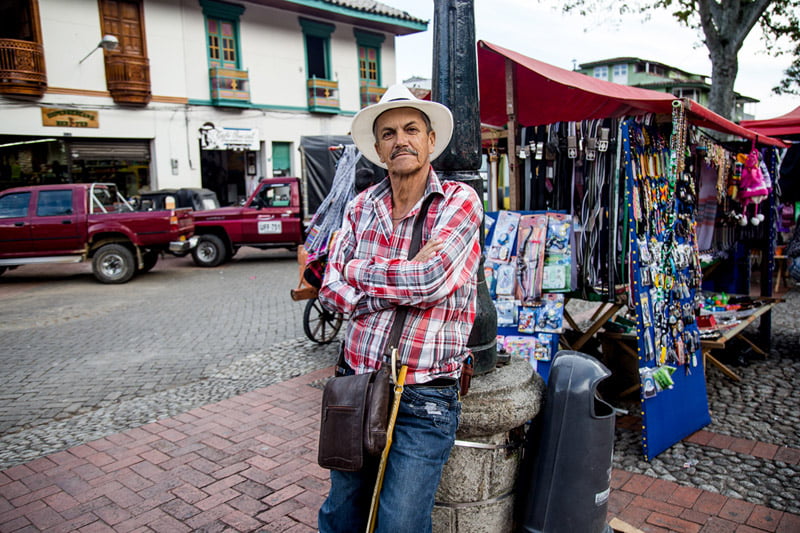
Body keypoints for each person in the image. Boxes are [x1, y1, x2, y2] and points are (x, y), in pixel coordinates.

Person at [317, 84, 483, 532]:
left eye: (411, 129)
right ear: (377, 147)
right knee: (341, 513)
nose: (400, 140)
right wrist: (400, 273)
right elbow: (329, 289)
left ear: (430, 140)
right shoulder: (358, 208)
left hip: (425, 394)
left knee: (400, 524)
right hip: (357, 382)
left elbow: (431, 280)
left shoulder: (458, 202)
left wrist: (359, 272)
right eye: (388, 133)